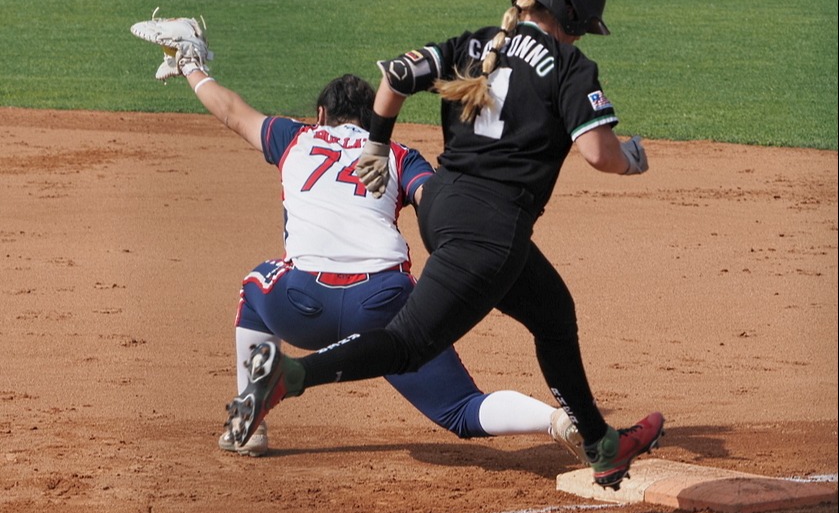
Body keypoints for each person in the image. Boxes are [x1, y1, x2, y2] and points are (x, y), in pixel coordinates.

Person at [225, 0, 665, 489]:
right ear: (569, 13)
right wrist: (633, 158)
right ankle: (291, 376)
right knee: (409, 344)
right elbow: (600, 153)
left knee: (553, 314)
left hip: (443, 209)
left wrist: (376, 146)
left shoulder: (476, 43)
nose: (580, 39)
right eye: (581, 28)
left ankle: (602, 445)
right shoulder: (570, 67)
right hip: (490, 230)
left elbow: (395, 77)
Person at [156, 49, 585, 459]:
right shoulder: (397, 155)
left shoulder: (294, 137)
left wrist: (192, 68)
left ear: (320, 115)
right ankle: (555, 419)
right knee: (461, 408)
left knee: (255, 287)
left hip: (301, 306)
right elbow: (432, 200)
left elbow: (231, 111)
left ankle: (247, 425)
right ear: (374, 119)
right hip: (385, 308)